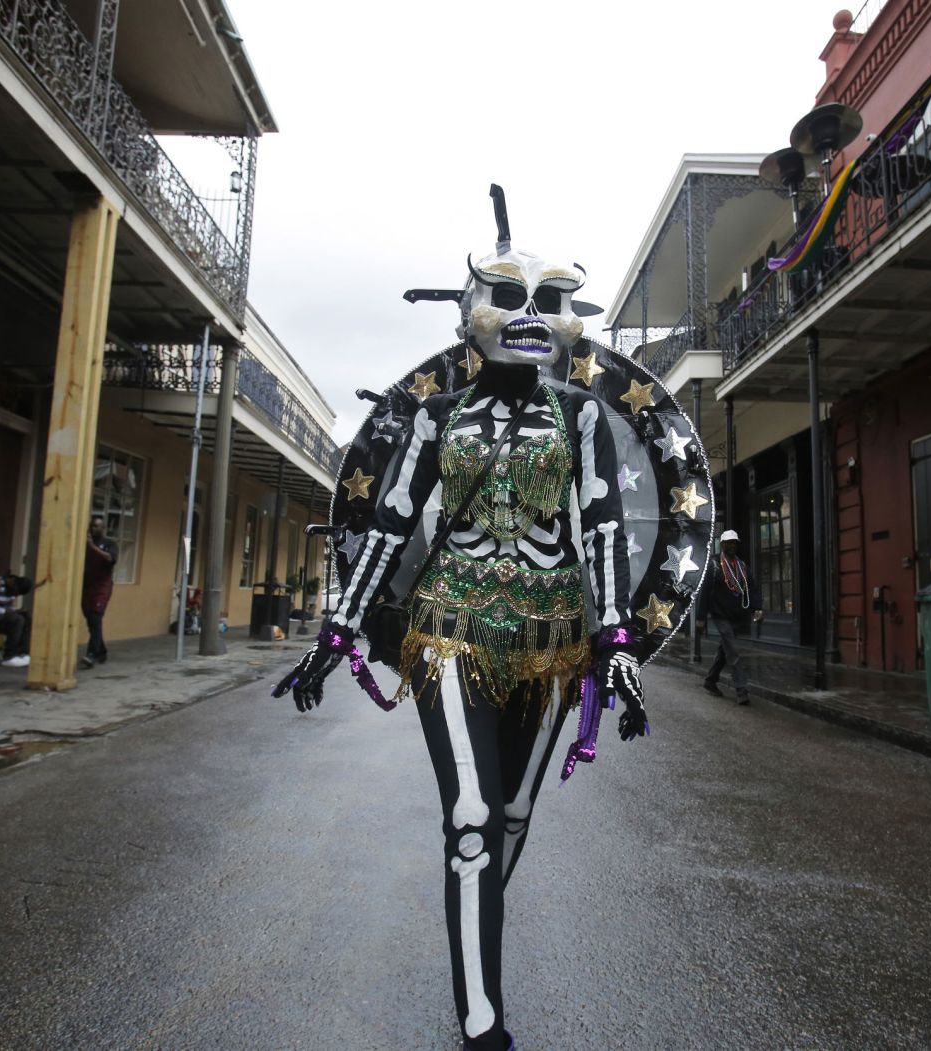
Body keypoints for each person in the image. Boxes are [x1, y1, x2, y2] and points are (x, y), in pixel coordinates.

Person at [273, 187, 694, 1051]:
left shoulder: (582, 417)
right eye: (509, 295)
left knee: (508, 820)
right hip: (452, 630)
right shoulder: (435, 417)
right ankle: (482, 1024)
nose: (532, 315)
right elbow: (389, 527)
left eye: (552, 300)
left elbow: (607, 527)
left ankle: (476, 953)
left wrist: (615, 639)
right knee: (469, 815)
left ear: (571, 319)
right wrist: (337, 630)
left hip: (551, 641)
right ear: (473, 311)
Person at [697, 528, 762, 704]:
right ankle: (742, 690)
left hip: (736, 615)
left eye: (735, 543)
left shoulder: (742, 566)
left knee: (725, 650)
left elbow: (752, 587)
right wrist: (700, 617)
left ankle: (710, 681)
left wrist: (757, 607)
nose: (732, 546)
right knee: (732, 651)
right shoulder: (714, 565)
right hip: (719, 615)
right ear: (723, 545)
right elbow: (705, 592)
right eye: (729, 543)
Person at [79, 514, 117, 669]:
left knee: (95, 617)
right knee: (90, 620)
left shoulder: (109, 544)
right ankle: (101, 650)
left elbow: (110, 558)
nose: (94, 529)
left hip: (102, 586)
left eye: (98, 526)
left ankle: (92, 654)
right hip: (87, 585)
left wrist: (93, 548)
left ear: (103, 528)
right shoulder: (84, 544)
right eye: (92, 526)